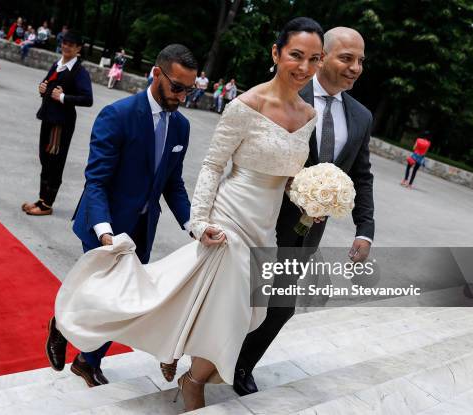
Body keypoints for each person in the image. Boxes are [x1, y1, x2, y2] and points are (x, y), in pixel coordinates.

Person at [53, 18, 323, 411]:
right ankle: (80, 335)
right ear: (276, 53)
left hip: (259, 225)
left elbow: (176, 183)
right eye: (296, 55)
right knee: (194, 304)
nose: (304, 66)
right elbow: (101, 181)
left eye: (314, 59)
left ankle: (160, 353)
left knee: (232, 310)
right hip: (176, 219)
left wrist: (310, 199)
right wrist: (194, 223)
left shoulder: (301, 116)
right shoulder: (236, 107)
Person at [233, 26, 376, 397]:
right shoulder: (284, 95)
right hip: (258, 216)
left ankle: (242, 364)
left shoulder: (361, 116)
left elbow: (361, 174)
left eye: (361, 60)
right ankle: (205, 357)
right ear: (322, 57)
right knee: (236, 293)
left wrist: (365, 228)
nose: (356, 67)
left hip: (307, 231)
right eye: (347, 58)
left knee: (281, 305)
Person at [45, 44, 196, 387]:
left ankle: (86, 361)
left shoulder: (182, 128)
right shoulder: (118, 115)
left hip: (142, 228)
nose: (183, 97)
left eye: (190, 89)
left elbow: (173, 184)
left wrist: (193, 225)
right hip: (104, 224)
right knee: (102, 298)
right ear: (156, 74)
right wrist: (104, 231)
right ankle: (62, 325)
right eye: (178, 88)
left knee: (122, 303)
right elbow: (96, 181)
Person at [21, 31, 93, 216]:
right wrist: (42, 88)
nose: (66, 46)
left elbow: (87, 99)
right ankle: (42, 198)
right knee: (44, 158)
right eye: (65, 42)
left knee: (54, 161)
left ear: (78, 49)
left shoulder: (79, 71)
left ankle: (47, 204)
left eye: (71, 44)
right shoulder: (58, 65)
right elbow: (47, 85)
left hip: (61, 123)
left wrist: (62, 96)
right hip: (48, 117)